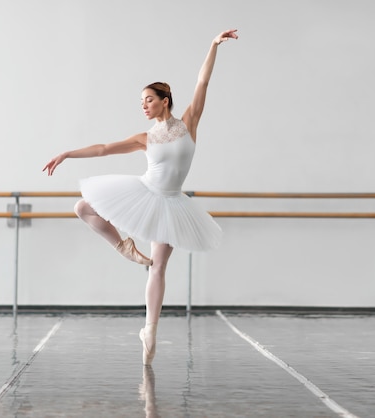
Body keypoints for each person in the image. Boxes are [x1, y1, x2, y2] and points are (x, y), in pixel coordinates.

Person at [43, 29, 238, 365]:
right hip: (145, 191)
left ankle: (150, 330)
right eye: (141, 102)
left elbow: (203, 83)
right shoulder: (144, 137)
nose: (144, 106)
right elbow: (104, 149)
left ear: (165, 100)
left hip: (172, 202)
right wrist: (67, 154)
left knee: (159, 268)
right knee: (83, 206)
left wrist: (213, 45)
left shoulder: (189, 122)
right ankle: (124, 247)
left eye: (148, 99)